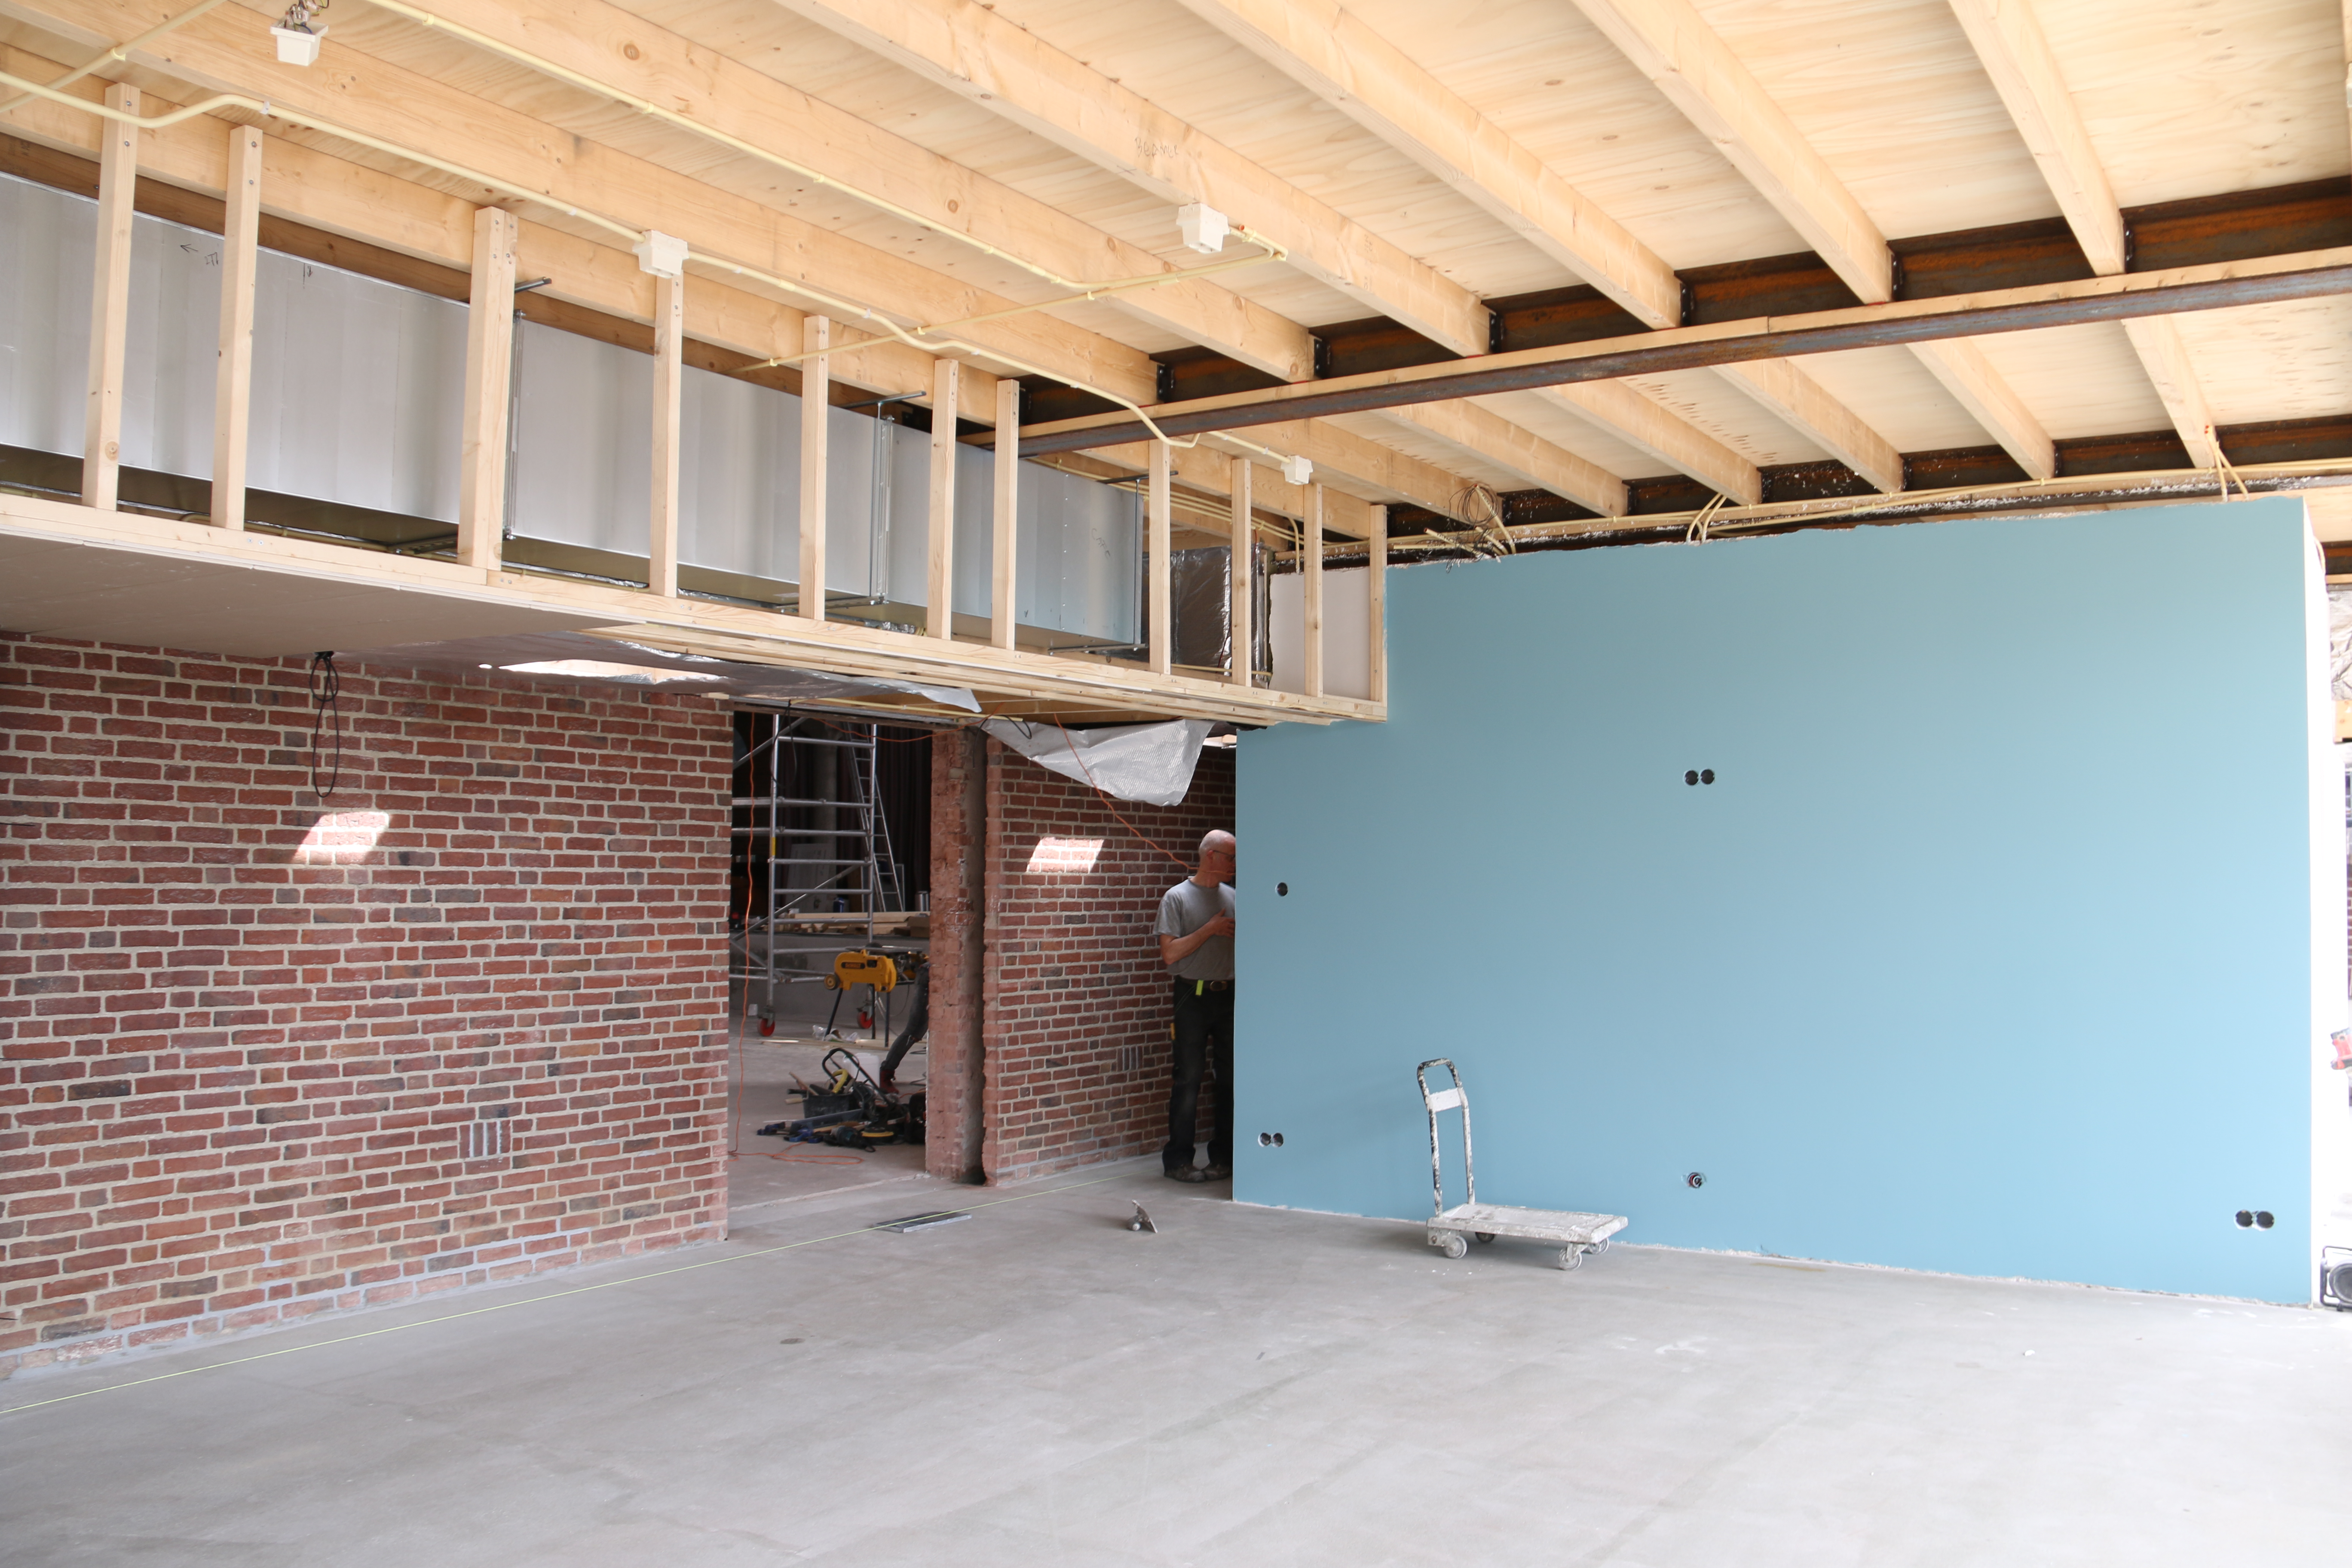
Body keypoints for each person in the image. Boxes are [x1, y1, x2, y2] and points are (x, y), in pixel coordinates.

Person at [1155, 829, 1236, 1183]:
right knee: (1188, 1078)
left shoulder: (1235, 898)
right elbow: (1170, 954)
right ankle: (1178, 1162)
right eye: (1231, 857)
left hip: (1229, 995)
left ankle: (1224, 1159)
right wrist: (1210, 929)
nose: (1235, 864)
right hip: (1192, 995)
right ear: (1211, 856)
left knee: (1229, 1079)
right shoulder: (1177, 898)